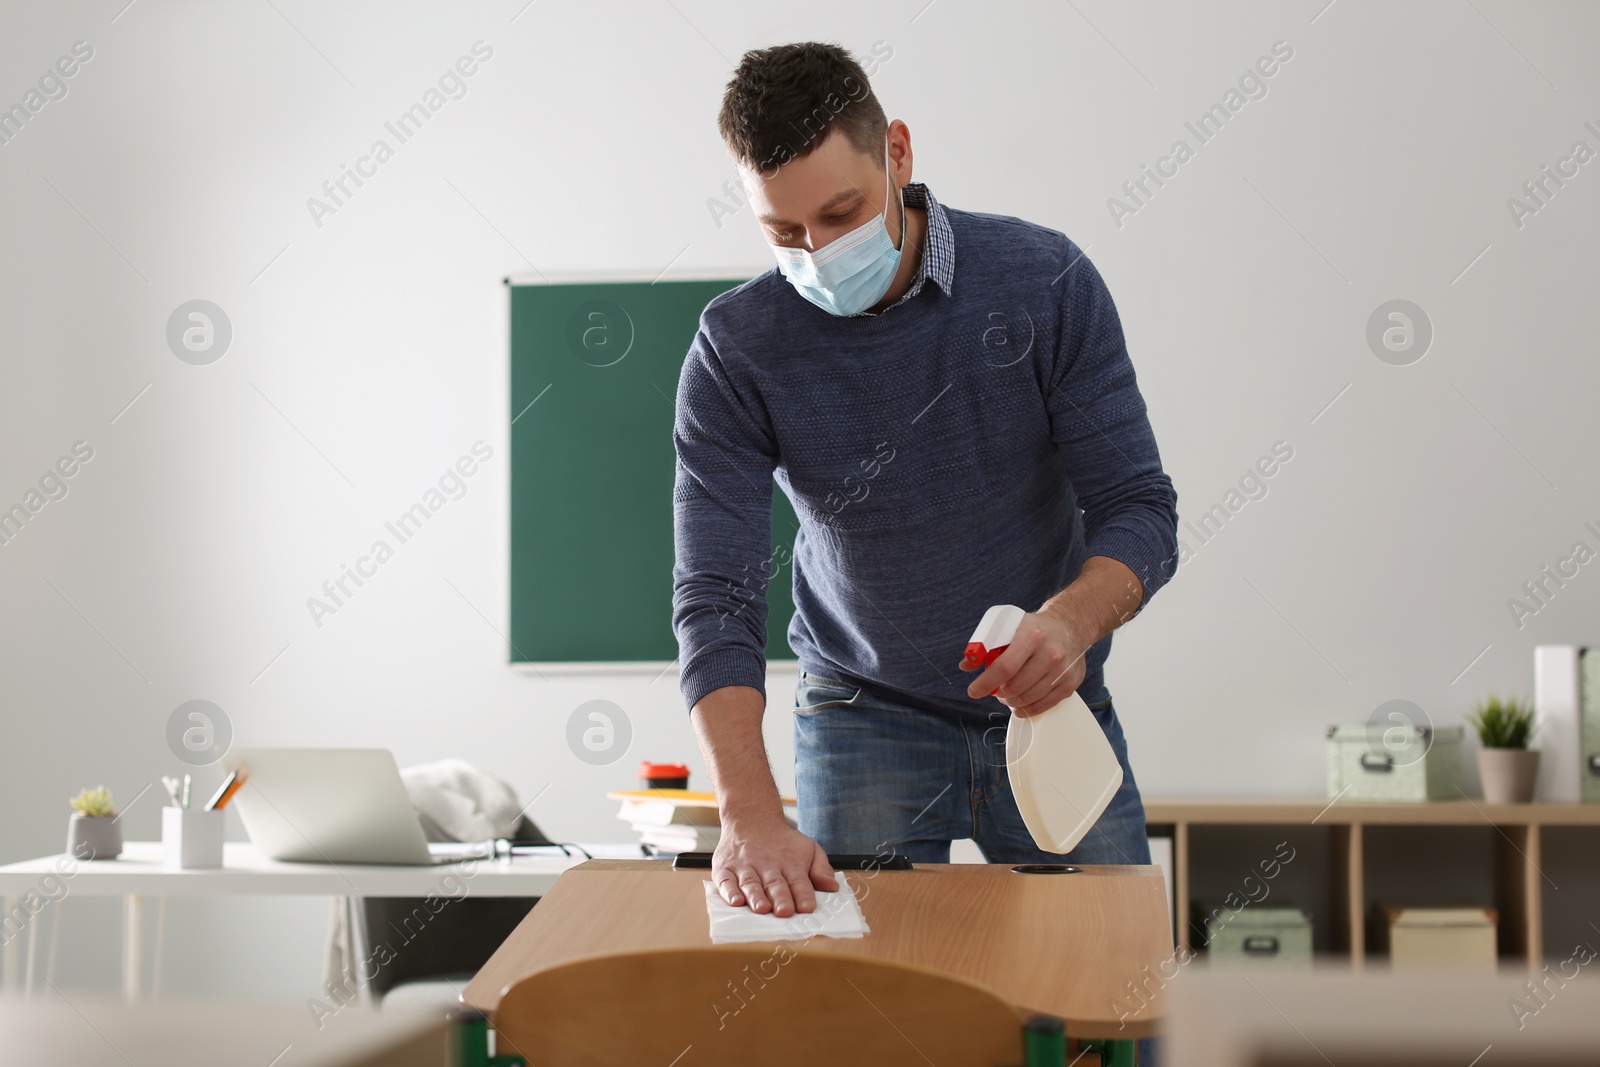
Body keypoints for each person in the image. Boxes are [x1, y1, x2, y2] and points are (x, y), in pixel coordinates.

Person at [672, 41, 1178, 922]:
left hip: (1049, 701)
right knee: (867, 1014)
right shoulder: (736, 347)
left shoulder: (1044, 282)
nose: (819, 254)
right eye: (784, 233)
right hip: (860, 711)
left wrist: (1069, 624)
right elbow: (715, 595)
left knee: (1116, 993)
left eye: (841, 213)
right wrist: (747, 813)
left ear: (898, 154)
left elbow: (1141, 509)